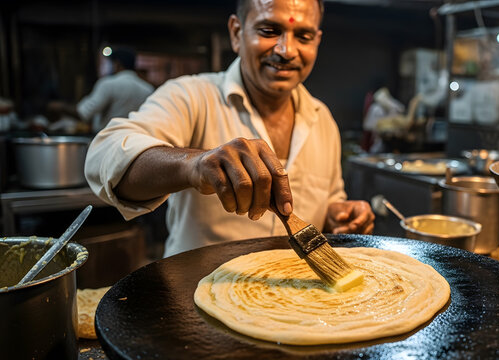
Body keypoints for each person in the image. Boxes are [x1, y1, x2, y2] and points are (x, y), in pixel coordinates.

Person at [85, 0, 375, 258]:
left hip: (293, 300)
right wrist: (195, 165)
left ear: (317, 40)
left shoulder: (322, 118)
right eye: (268, 30)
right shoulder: (191, 96)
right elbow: (105, 155)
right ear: (237, 32)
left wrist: (338, 215)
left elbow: (331, 198)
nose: (287, 50)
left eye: (304, 36)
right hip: (195, 301)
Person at [47, 47, 154, 132]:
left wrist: (60, 106)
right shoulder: (148, 89)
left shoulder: (109, 84)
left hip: (107, 141)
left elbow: (83, 112)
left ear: (117, 64)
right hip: (134, 144)